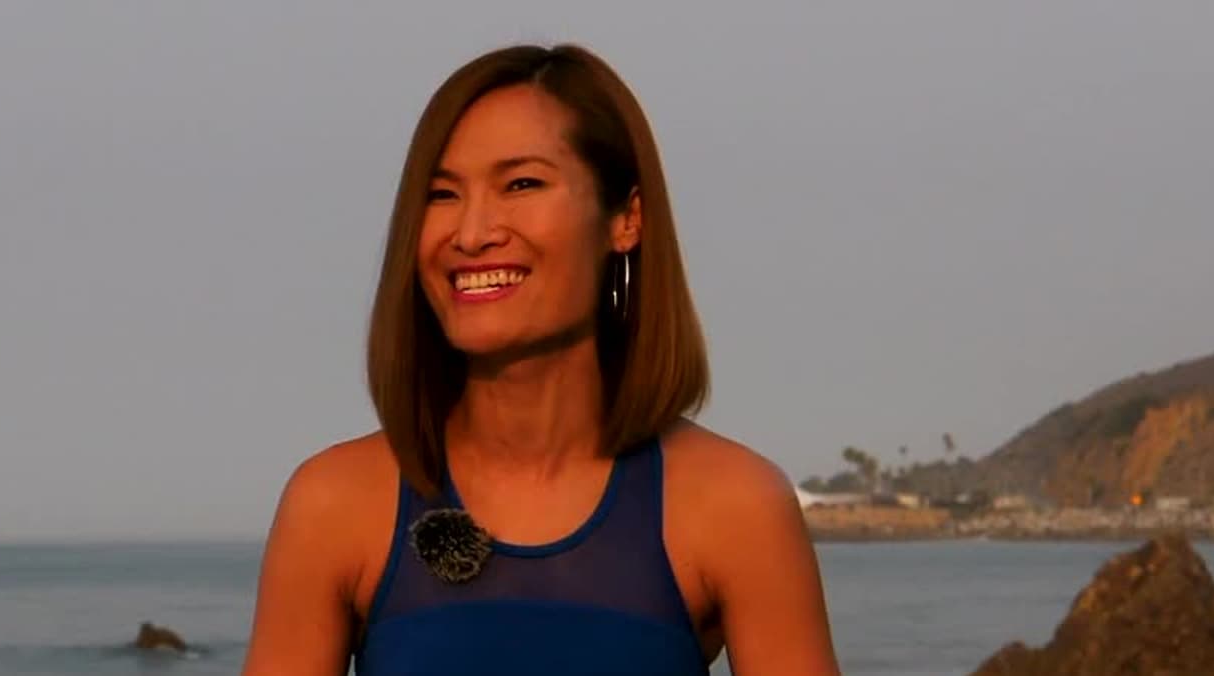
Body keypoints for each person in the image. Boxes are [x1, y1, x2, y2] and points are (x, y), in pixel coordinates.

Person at [242, 43, 840, 676]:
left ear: (626, 219)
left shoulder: (735, 505)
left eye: (521, 184)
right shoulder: (333, 505)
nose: (471, 233)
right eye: (441, 194)